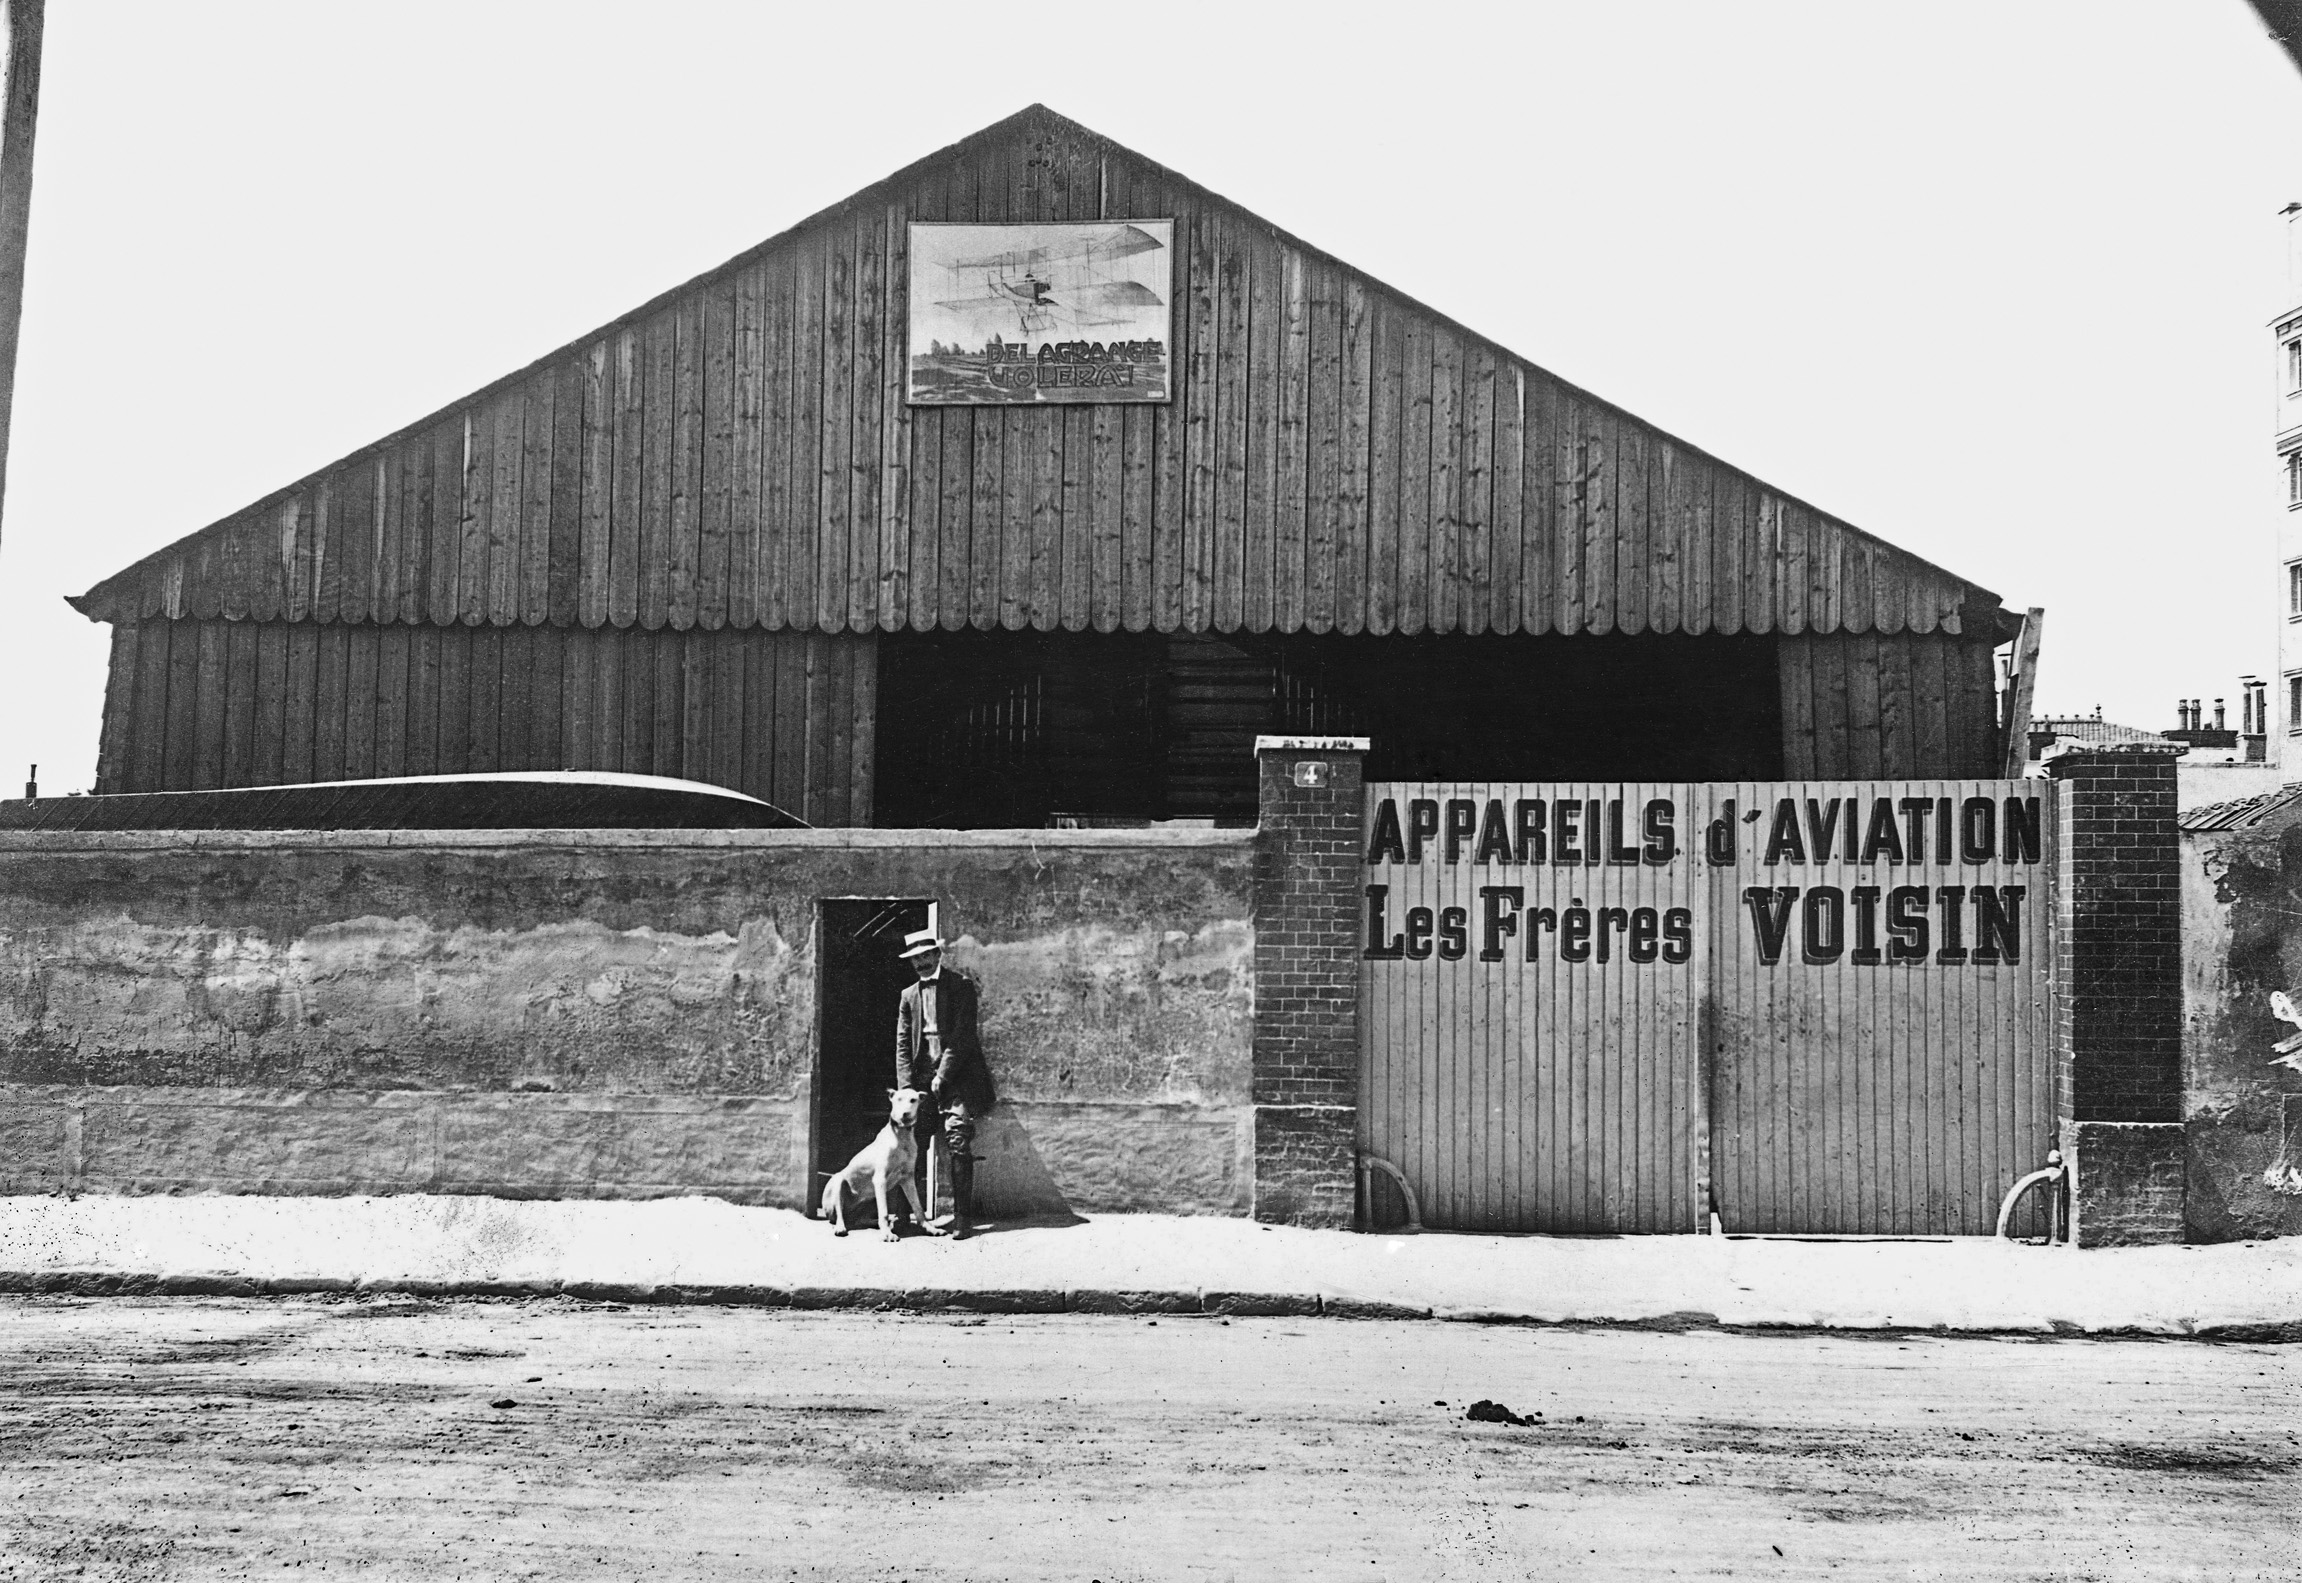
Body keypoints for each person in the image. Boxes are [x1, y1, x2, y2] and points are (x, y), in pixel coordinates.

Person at [894, 927, 996, 1239]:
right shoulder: (908, 996)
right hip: (922, 1083)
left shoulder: (961, 987)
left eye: (926, 955)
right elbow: (902, 1045)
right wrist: (907, 1089)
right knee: (911, 1144)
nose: (921, 962)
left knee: (958, 1142)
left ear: (938, 955)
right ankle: (903, 1217)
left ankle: (962, 1219)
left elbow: (964, 1036)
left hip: (958, 1079)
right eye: (915, 958)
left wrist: (943, 1075)